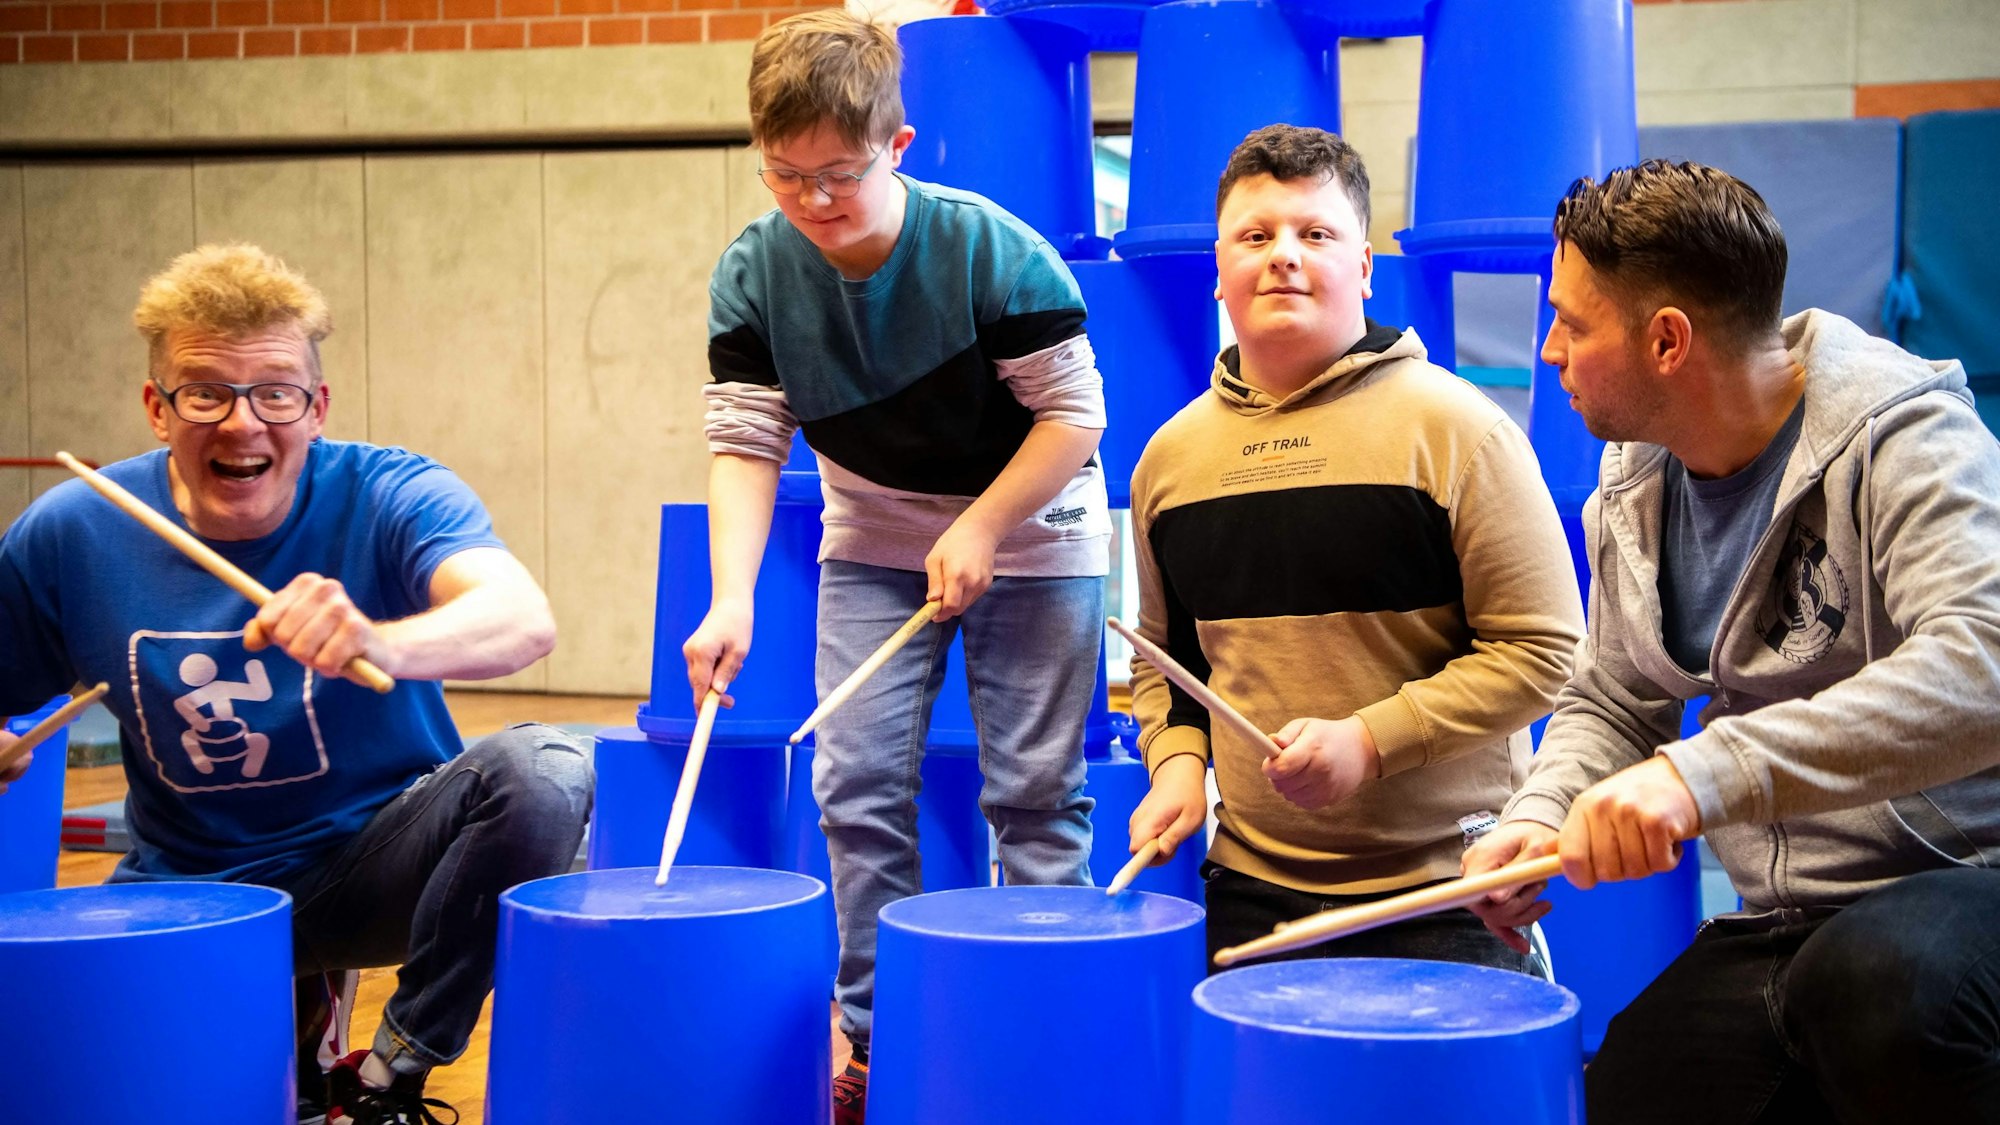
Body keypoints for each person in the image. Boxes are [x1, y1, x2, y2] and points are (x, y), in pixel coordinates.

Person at [0, 243, 594, 1125]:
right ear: (157, 409)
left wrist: (378, 639)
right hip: (188, 887)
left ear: (316, 407)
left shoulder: (392, 490)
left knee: (547, 767)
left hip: (373, 867)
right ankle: (296, 1030)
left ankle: (389, 1070)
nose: (243, 423)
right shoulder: (75, 530)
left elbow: (522, 620)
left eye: (275, 392)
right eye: (206, 392)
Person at [1464, 159, 2000, 1123]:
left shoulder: (1906, 437)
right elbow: (1616, 698)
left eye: (1572, 323)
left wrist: (1699, 774)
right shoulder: (1634, 478)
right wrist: (1542, 815)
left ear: (1667, 340)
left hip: (1969, 883)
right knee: (1635, 1083)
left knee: (1880, 988)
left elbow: (1987, 660)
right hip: (1789, 920)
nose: (1548, 349)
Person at [680, 11, 1110, 1121]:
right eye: (786, 177)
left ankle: (1039, 1023)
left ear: (897, 146)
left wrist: (980, 528)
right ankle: (876, 1037)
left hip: (1036, 524)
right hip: (871, 535)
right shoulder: (753, 271)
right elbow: (744, 440)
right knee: (854, 781)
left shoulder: (990, 249)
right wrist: (730, 599)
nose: (814, 202)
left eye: (839, 174)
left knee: (1030, 790)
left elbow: (1074, 417)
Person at [1125, 124, 1584, 973]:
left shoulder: (1459, 430)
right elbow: (1164, 659)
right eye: (1256, 236)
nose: (1284, 257)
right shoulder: (1169, 460)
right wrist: (1178, 765)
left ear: (1366, 267)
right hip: (1251, 888)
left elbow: (1549, 650)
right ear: (1220, 271)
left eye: (1316, 234)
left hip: (1452, 887)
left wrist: (1371, 741)